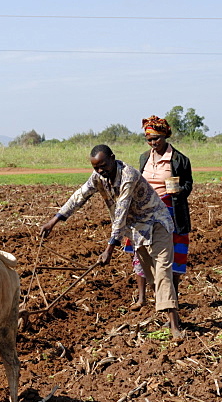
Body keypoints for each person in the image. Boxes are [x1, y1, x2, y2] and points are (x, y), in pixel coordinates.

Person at [40, 144, 183, 340]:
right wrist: (54, 220)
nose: (100, 171)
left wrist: (109, 248)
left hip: (157, 224)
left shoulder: (128, 175)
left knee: (163, 271)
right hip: (137, 230)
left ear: (113, 158)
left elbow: (121, 212)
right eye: (96, 168)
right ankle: (169, 314)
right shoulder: (99, 177)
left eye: (103, 166)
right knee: (152, 277)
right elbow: (79, 196)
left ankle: (174, 326)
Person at [128, 115, 193, 308]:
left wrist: (179, 190)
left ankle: (172, 300)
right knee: (141, 253)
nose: (153, 142)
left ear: (165, 136)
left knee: (170, 258)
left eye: (156, 138)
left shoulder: (179, 159)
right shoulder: (144, 158)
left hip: (171, 211)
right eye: (149, 139)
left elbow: (188, 185)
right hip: (145, 212)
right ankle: (142, 298)